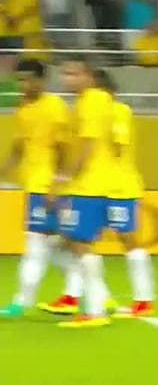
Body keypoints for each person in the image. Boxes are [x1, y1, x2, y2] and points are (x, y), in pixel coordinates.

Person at [0, 59, 82, 318]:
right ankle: (81, 293)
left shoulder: (54, 107)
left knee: (38, 243)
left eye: (28, 79)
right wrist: (3, 171)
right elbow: (20, 146)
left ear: (42, 80)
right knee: (56, 244)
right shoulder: (23, 108)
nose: (23, 85)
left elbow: (63, 149)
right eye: (20, 80)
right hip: (35, 185)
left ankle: (21, 301)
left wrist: (56, 185)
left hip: (48, 187)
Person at [52, 55, 114, 328]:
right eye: (65, 73)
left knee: (80, 244)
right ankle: (97, 302)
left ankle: (96, 310)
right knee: (69, 242)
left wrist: (65, 178)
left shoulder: (92, 102)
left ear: (89, 76)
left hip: (89, 185)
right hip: (87, 184)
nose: (68, 79)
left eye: (74, 74)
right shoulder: (87, 102)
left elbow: (87, 147)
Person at [95, 69, 157, 318]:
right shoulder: (91, 113)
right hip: (94, 186)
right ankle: (99, 296)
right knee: (77, 239)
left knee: (128, 239)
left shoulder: (119, 111)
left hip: (118, 187)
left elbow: (118, 147)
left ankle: (144, 298)